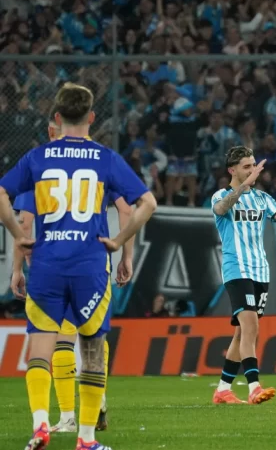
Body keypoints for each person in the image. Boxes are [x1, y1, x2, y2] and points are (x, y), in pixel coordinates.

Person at [0, 83, 157, 450]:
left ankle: (41, 424)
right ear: (92, 117)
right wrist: (119, 243)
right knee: (92, 350)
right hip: (90, 265)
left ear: (57, 117)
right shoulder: (105, 158)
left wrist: (18, 237)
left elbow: (5, 196)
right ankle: (86, 438)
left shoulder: (38, 157)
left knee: (41, 347)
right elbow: (146, 203)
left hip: (47, 264)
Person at [210, 146, 276, 405]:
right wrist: (242, 187)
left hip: (260, 271)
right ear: (232, 170)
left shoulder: (262, 198)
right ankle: (254, 387)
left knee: (241, 333)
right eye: (246, 167)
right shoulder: (222, 195)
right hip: (237, 269)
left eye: (253, 165)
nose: (252, 171)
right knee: (251, 327)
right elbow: (221, 210)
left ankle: (223, 389)